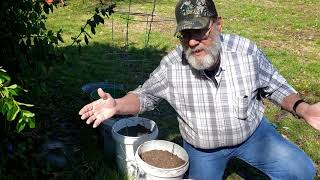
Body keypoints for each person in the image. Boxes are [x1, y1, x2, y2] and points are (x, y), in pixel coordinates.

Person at [79, 0, 319, 179]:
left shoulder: (246, 51)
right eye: (185, 34)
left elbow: (275, 86)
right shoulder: (172, 66)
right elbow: (145, 96)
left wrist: (303, 108)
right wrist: (118, 105)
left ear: (218, 25)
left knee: (302, 170)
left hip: (253, 136)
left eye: (199, 31)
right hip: (203, 149)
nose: (192, 41)